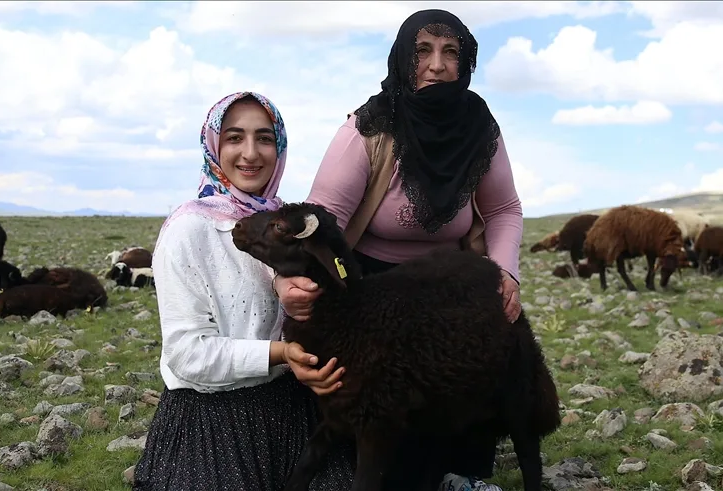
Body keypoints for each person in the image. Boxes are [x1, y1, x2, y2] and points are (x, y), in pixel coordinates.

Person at [273, 9, 523, 491]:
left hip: (446, 282)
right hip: (370, 285)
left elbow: (505, 209)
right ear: (402, 58)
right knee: (373, 408)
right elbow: (320, 222)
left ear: (465, 63)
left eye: (451, 52)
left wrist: (506, 273)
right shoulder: (369, 128)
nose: (436, 65)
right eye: (422, 51)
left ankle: (459, 471)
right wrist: (286, 281)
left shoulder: (480, 129)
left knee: (482, 361)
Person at [132, 91, 354, 491]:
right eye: (235, 138)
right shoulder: (188, 230)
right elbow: (186, 353)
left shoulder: (287, 223)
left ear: (279, 146)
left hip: (295, 407)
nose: (251, 153)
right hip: (212, 422)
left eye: (264, 138)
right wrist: (283, 353)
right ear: (214, 146)